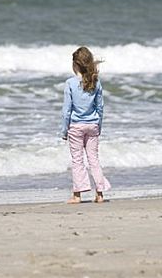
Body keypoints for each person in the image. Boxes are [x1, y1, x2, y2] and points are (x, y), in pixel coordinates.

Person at [60, 46, 111, 204]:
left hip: (75, 126)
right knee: (94, 159)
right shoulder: (96, 82)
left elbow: (66, 110)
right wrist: (99, 126)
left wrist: (64, 130)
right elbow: (100, 107)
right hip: (93, 125)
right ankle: (100, 194)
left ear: (75, 64)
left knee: (77, 160)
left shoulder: (70, 83)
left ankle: (77, 195)